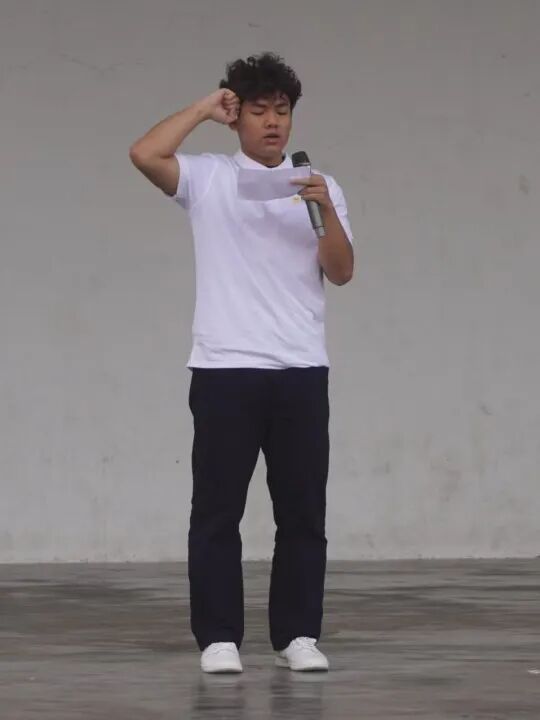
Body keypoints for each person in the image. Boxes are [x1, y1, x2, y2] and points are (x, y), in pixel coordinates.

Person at [129, 52, 354, 674]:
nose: (273, 122)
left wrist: (323, 212)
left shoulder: (320, 187)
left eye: (282, 110)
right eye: (259, 111)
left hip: (301, 368)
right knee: (217, 510)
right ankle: (219, 638)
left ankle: (298, 635)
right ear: (238, 119)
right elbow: (145, 154)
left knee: (303, 511)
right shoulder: (209, 177)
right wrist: (204, 107)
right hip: (225, 368)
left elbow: (341, 272)